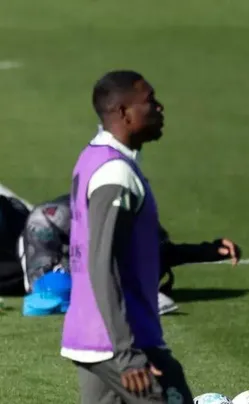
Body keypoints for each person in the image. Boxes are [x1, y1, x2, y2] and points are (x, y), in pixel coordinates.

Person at [60, 70, 194, 403]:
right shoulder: (115, 173)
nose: (160, 107)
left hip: (93, 336)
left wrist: (205, 251)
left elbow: (131, 251)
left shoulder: (93, 157)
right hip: (122, 342)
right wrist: (127, 353)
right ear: (124, 112)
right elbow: (103, 264)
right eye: (150, 101)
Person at [16, 192, 241, 315]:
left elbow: (166, 253)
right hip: (46, 242)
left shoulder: (146, 235)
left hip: (84, 248)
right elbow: (41, 293)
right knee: (53, 290)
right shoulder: (52, 220)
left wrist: (209, 250)